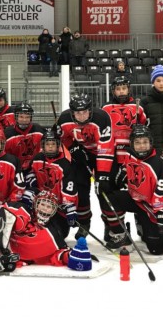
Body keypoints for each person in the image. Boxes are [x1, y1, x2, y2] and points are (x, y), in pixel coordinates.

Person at [104, 125, 163, 253]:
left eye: (145, 142)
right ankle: (121, 234)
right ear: (132, 144)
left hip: (150, 206)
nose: (141, 146)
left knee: (157, 248)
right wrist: (119, 177)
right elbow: (121, 178)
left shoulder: (158, 163)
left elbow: (162, 190)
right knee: (110, 198)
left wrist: (161, 212)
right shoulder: (130, 157)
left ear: (151, 143)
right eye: (137, 142)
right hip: (135, 200)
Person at [57, 93, 114, 235]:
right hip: (80, 156)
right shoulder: (64, 119)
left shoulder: (101, 118)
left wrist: (103, 175)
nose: (81, 116)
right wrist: (72, 148)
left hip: (100, 154)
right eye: (78, 113)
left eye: (84, 112)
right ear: (72, 112)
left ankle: (110, 224)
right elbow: (60, 140)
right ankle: (84, 223)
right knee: (81, 189)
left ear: (90, 110)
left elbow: (106, 147)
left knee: (104, 189)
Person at [28, 126, 78, 239]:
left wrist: (69, 208)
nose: (50, 147)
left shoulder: (64, 163)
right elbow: (30, 172)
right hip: (40, 203)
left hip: (58, 207)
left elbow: (69, 188)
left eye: (53, 144)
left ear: (58, 146)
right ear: (43, 146)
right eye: (47, 144)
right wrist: (32, 181)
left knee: (60, 234)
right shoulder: (37, 158)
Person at [102, 75, 147, 165]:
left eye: (124, 88)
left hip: (132, 151)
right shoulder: (106, 108)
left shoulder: (137, 106)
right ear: (113, 91)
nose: (121, 91)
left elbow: (144, 125)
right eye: (118, 89)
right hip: (112, 151)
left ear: (128, 90)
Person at [4, 102, 45, 173]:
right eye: (21, 117)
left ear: (31, 117)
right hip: (15, 170)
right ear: (16, 117)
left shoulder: (39, 130)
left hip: (35, 169)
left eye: (27, 117)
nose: (24, 120)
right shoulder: (7, 133)